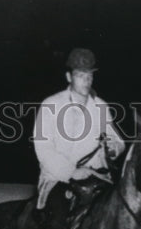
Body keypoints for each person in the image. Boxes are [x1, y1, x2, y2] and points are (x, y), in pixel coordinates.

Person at [33, 48, 125, 211]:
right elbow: (44, 148)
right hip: (60, 179)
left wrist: (113, 148)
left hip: (98, 178)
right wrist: (71, 172)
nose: (86, 80)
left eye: (89, 76)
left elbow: (118, 141)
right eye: (80, 76)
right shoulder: (51, 104)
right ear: (69, 77)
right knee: (56, 222)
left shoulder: (101, 106)